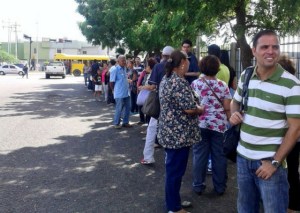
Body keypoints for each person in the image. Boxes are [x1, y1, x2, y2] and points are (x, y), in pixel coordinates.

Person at [229, 30, 300, 213]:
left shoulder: (291, 85)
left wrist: (275, 163)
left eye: (275, 47)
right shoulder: (246, 75)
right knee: (245, 209)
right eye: (265, 47)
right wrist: (234, 114)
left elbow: (295, 129)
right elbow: (234, 102)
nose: (271, 51)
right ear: (254, 51)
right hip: (243, 158)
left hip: (270, 164)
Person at [158, 50, 204, 213]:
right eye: (188, 61)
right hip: (178, 135)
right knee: (175, 172)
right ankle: (174, 208)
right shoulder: (178, 82)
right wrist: (199, 109)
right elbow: (189, 109)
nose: (190, 64)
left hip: (169, 131)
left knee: (173, 171)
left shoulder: (167, 78)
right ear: (183, 63)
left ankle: (173, 202)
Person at [191, 55, 231, 196]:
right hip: (219, 125)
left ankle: (198, 185)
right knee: (219, 156)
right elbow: (227, 107)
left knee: (199, 155)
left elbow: (192, 105)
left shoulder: (195, 84)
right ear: (217, 68)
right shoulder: (222, 85)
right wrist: (229, 120)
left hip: (200, 124)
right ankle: (220, 187)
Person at [140, 45, 174, 165]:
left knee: (152, 129)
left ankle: (148, 157)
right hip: (173, 105)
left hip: (159, 103)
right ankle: (169, 160)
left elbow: (153, 86)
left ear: (163, 55)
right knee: (171, 131)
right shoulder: (176, 67)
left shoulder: (158, 67)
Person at [277, 55, 300, 213]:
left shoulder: (289, 88)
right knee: (292, 171)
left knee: (286, 172)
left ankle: (290, 205)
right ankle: (292, 205)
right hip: (295, 139)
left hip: (287, 138)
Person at [110, 55, 132, 129]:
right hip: (119, 93)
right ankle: (116, 123)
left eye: (124, 60)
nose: (124, 62)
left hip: (126, 92)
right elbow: (111, 82)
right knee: (119, 108)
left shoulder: (125, 68)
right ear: (118, 61)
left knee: (128, 107)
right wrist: (113, 90)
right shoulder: (114, 70)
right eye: (122, 60)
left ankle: (125, 122)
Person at [137, 57, 157, 124]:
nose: (145, 68)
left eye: (146, 66)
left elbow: (152, 86)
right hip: (148, 95)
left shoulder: (152, 75)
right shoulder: (149, 74)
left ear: (149, 66)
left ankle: (148, 125)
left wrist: (143, 87)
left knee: (149, 111)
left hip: (151, 95)